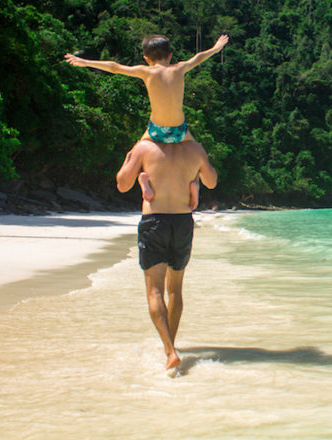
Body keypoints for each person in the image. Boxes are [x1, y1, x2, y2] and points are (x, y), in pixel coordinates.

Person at [65, 34, 228, 200]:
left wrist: (85, 62)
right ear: (170, 55)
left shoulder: (146, 71)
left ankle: (144, 183)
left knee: (133, 157)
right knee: (200, 160)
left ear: (146, 58)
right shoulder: (180, 68)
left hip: (155, 130)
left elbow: (114, 67)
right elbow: (199, 57)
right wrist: (216, 48)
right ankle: (194, 188)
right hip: (180, 131)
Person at [116, 137, 218, 374]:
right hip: (182, 221)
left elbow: (122, 184)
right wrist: (202, 165)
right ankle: (169, 346)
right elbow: (212, 182)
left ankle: (170, 350)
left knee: (154, 291)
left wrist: (128, 160)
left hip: (155, 220)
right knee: (175, 290)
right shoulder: (195, 149)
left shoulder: (144, 148)